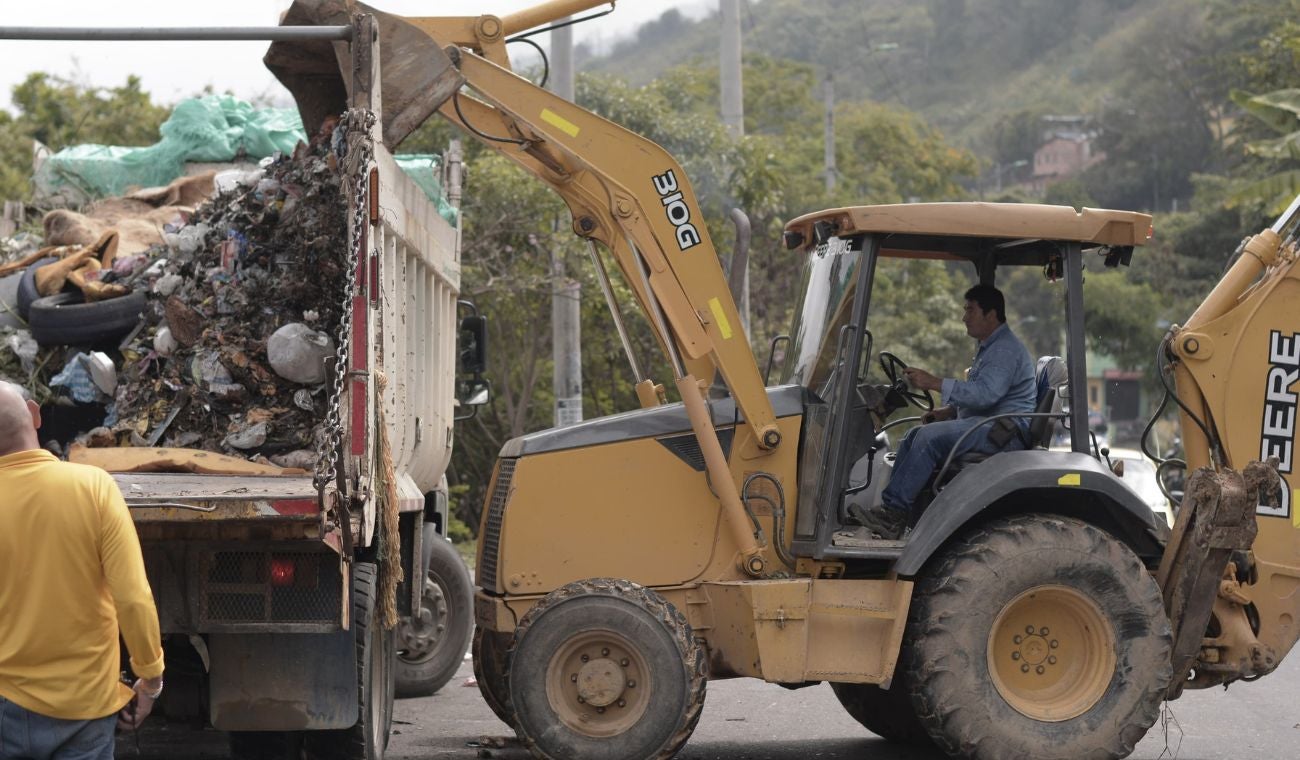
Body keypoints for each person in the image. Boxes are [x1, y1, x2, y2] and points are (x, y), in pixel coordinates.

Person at [0, 381, 164, 759]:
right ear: (36, 414)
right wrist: (150, 678)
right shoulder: (93, 488)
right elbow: (134, 598)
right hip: (84, 706)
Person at [858, 284, 1036, 539]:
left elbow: (987, 394)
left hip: (1002, 432)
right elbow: (982, 393)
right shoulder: (990, 347)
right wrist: (949, 412)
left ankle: (894, 514)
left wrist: (934, 383)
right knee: (913, 436)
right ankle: (896, 514)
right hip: (985, 423)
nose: (964, 317)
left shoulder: (1005, 349)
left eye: (970, 310)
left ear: (991, 314)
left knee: (928, 438)